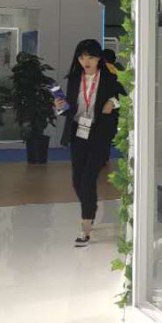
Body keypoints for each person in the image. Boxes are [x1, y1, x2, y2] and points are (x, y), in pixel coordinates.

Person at [57, 38, 126, 246]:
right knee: (77, 180)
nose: (86, 62)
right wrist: (60, 106)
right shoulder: (74, 79)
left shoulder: (109, 77)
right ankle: (91, 208)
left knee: (88, 179)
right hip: (78, 132)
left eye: (90, 57)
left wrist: (111, 102)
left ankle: (85, 227)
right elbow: (69, 111)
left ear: (98, 59)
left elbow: (124, 96)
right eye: (82, 57)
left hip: (99, 134)